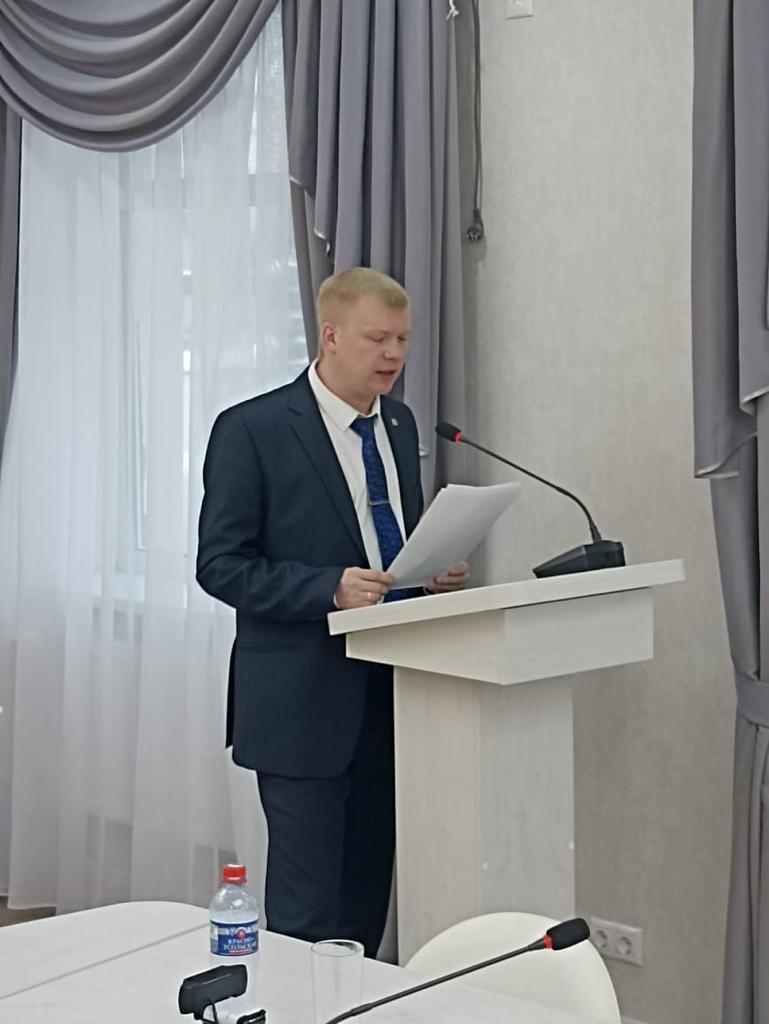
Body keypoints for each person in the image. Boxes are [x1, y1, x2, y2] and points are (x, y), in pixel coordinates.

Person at [196, 267, 469, 957]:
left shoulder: (398, 424)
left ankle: (353, 1003)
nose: (393, 354)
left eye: (402, 339)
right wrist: (327, 589)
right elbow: (220, 565)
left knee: (365, 902)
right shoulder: (252, 429)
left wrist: (424, 573)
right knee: (306, 912)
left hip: (393, 698)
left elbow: (384, 544)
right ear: (330, 335)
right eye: (377, 338)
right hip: (301, 708)